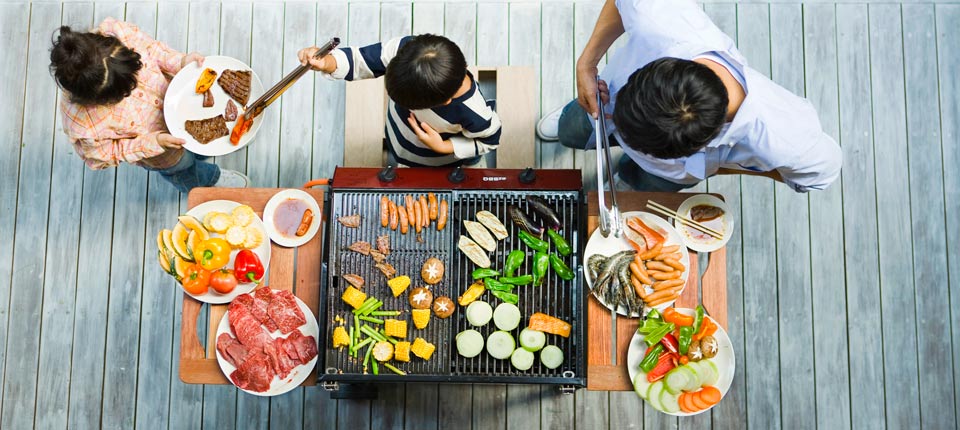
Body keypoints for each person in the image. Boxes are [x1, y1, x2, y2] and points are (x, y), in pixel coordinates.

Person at [536, 0, 842, 192]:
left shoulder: (785, 135)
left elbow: (818, 175)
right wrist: (587, 64)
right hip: (604, 100)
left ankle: (626, 182)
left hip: (672, 174)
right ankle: (578, 128)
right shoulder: (666, 23)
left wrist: (734, 168)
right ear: (663, 67)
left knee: (636, 186)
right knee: (572, 129)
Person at [50, 18, 249, 193]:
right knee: (184, 167)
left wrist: (181, 62)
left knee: (203, 144)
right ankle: (206, 180)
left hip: (187, 108)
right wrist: (153, 143)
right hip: (164, 151)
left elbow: (154, 51)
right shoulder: (82, 125)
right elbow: (105, 154)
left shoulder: (117, 32)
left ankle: (203, 152)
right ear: (95, 100)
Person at [299, 34, 501, 167]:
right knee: (399, 151)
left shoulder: (474, 113)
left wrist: (443, 147)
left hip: (438, 157)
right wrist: (327, 62)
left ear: (445, 102)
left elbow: (490, 141)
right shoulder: (407, 51)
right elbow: (361, 60)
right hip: (399, 133)